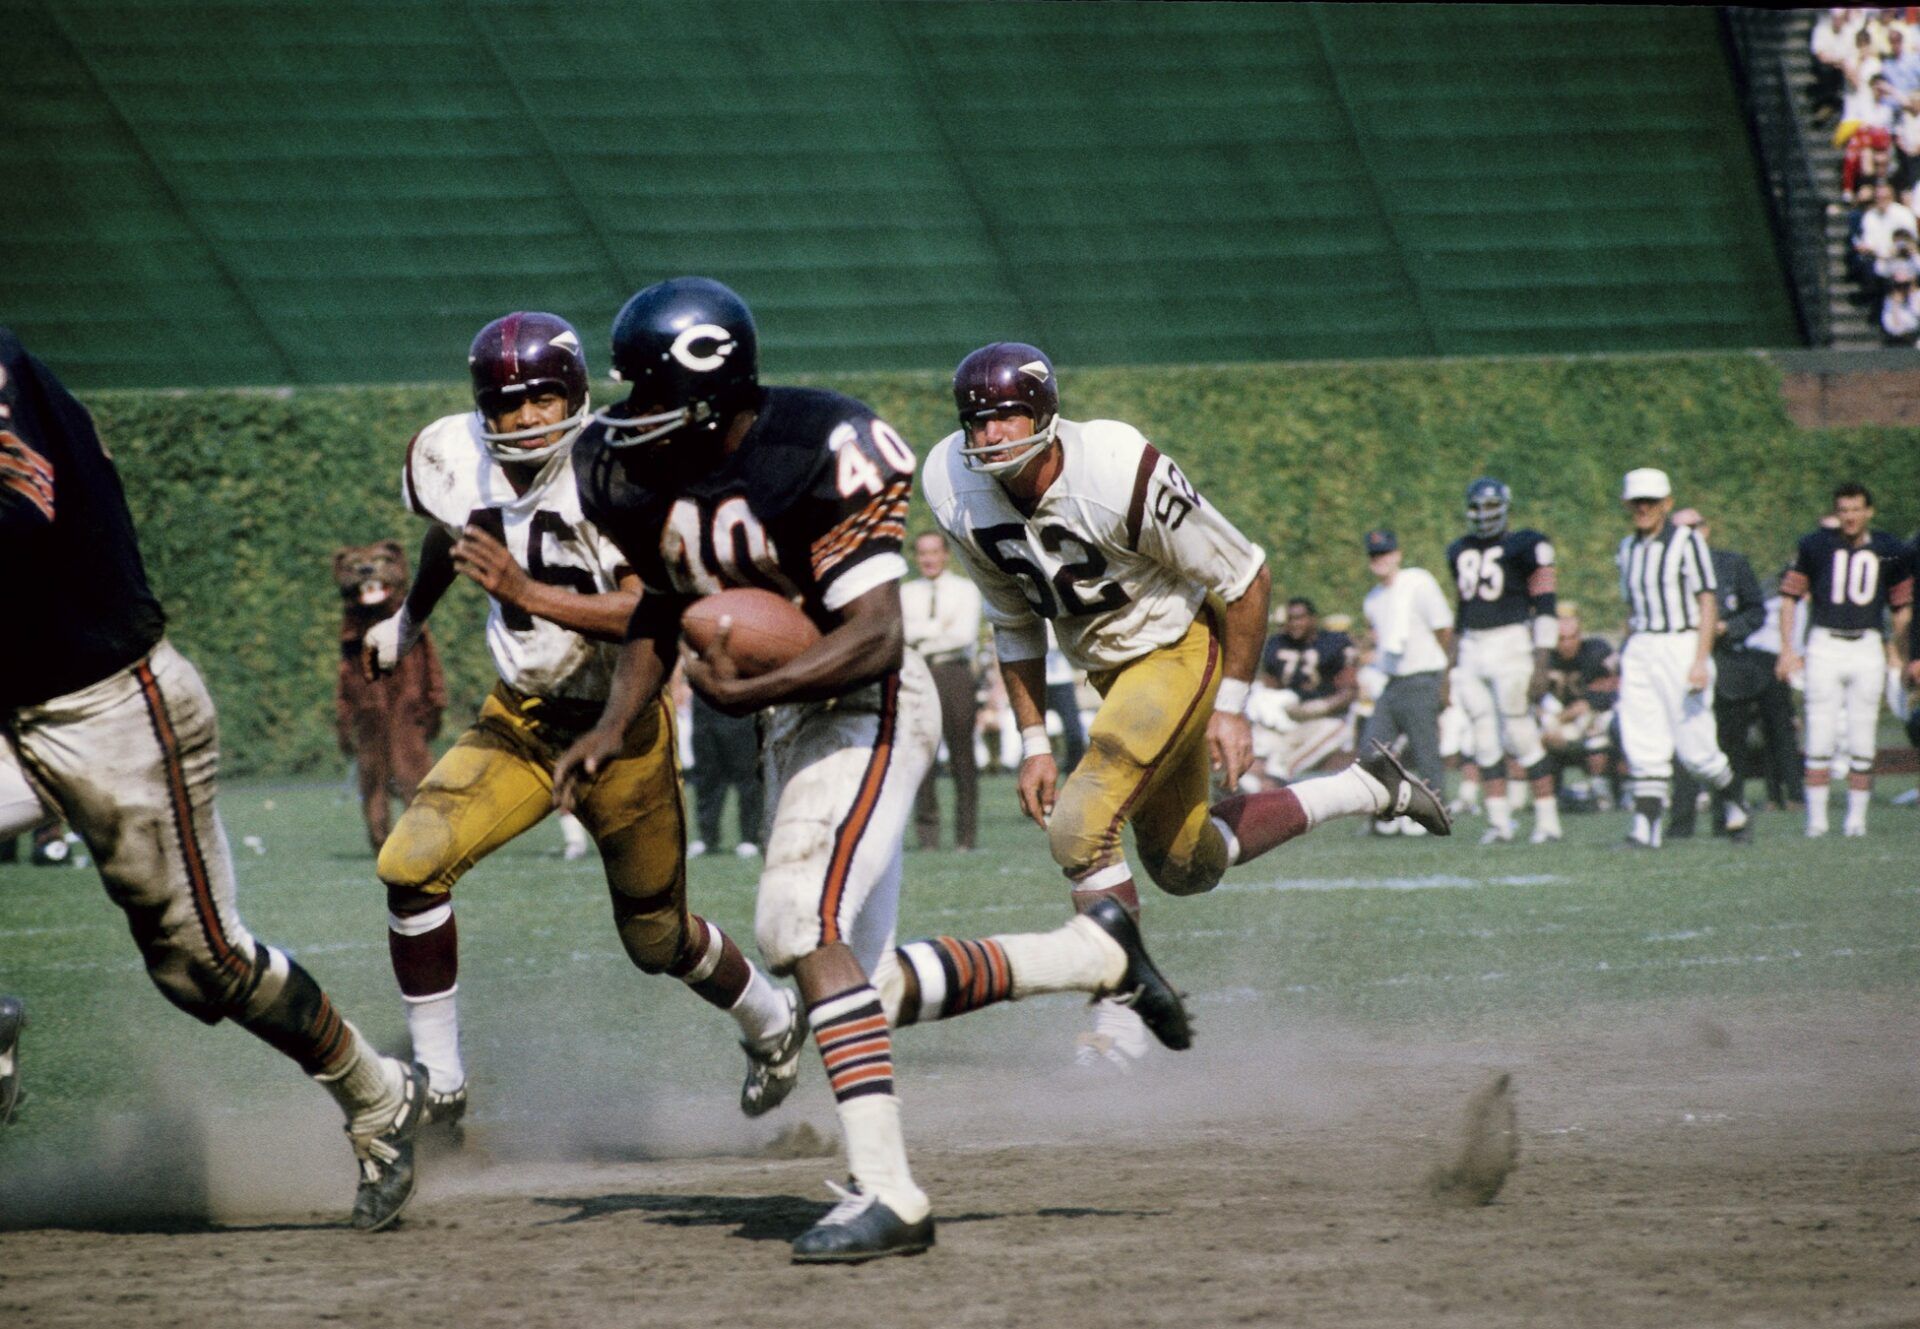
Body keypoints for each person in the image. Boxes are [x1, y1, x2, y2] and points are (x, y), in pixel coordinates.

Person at [556, 282, 1195, 1264]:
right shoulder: (629, 471)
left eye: (647, 389)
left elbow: (877, 636)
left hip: (871, 704)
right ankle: (1095, 957)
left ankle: (892, 1195)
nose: (627, 413)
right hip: (794, 723)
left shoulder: (820, 448)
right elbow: (662, 609)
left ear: (710, 390)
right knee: (858, 983)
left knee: (792, 925)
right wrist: (614, 721)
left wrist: (747, 694)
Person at [0, 327, 427, 1229]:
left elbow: (20, 514)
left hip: (108, 702)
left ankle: (378, 1090)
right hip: (15, 709)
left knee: (204, 966)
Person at [924, 341, 1448, 1055]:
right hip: (1109, 671)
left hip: (1176, 648)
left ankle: (1117, 1021)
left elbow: (1246, 575)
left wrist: (1232, 704)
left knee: (1078, 827)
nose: (986, 437)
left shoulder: (1112, 467)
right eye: (974, 421)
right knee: (1184, 865)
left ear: (1043, 413)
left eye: (1004, 418)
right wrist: (1033, 741)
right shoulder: (951, 483)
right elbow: (1014, 617)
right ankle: (1364, 786)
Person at [364, 311, 804, 1134]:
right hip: (520, 720)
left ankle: (771, 1019)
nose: (525, 418)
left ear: (577, 393)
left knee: (658, 941)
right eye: (506, 403)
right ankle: (442, 1079)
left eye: (543, 398)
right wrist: (409, 618)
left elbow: (655, 614)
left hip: (622, 727)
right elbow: (450, 536)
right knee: (411, 863)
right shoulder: (451, 458)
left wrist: (530, 597)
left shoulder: (631, 467)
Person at [1613, 468, 1753, 848]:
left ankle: (1735, 802)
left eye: (1651, 501)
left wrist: (1699, 658)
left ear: (1666, 504)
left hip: (1680, 644)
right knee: (1642, 737)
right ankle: (1646, 826)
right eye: (1637, 501)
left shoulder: (1687, 542)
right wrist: (1624, 653)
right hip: (1643, 645)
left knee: (1696, 750)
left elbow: (1707, 601)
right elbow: (1632, 608)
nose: (1643, 508)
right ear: (1628, 504)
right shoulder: (1627, 549)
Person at [1776, 483, 1914, 837]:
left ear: (1869, 511)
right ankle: (1817, 820)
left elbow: (1901, 609)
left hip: (1867, 643)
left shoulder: (1889, 548)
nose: (1850, 517)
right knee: (1819, 730)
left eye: (1856, 509)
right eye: (1843, 510)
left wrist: (1902, 656)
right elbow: (1789, 596)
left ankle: (1856, 819)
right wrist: (1788, 649)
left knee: (1863, 732)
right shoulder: (1815, 545)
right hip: (1825, 642)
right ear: (1836, 513)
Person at [1444, 478, 1563, 845]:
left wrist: (1542, 660)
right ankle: (1499, 823)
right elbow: (1462, 611)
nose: (1484, 516)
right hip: (1472, 650)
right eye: (1478, 508)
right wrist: (1449, 667)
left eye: (1491, 507)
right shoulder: (1458, 549)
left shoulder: (1527, 544)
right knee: (1483, 740)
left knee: (1520, 733)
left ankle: (1548, 821)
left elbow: (1545, 605)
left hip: (1511, 642)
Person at [1663, 510, 1768, 839]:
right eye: (1679, 528)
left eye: (1693, 528)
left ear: (1706, 530)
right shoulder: (1664, 566)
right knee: (1685, 744)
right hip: (1683, 662)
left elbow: (1755, 611)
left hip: (1725, 664)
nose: (1688, 534)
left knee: (1729, 745)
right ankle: (1681, 822)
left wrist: (1728, 627)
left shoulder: (1731, 563)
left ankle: (1731, 818)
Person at [1360, 528, 1455, 834]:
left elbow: (1443, 628)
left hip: (1422, 677)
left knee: (1426, 752)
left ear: (1397, 554)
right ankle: (1388, 812)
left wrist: (1442, 676)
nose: (1381, 561)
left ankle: (1435, 816)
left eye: (1386, 553)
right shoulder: (1372, 599)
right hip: (1393, 682)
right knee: (1371, 748)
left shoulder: (1418, 582)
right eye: (1375, 556)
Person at [901, 530, 982, 851]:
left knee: (962, 755)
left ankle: (966, 837)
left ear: (945, 554)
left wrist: (920, 634)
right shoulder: (906, 592)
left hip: (954, 674)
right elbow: (901, 633)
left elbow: (962, 636)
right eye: (923, 553)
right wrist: (936, 628)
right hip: (918, 675)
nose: (929, 559)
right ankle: (928, 837)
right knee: (921, 755)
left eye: (934, 552)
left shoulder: (966, 590)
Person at [1252, 597, 1358, 783]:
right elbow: (1270, 686)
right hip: (1287, 719)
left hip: (1325, 719)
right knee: (1254, 752)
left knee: (1282, 766)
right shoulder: (1277, 643)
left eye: (1300, 618)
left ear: (1313, 619)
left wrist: (1320, 706)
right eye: (1290, 619)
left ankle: (1278, 787)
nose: (1294, 624)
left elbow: (1349, 691)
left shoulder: (1334, 643)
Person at [1537, 603, 1620, 810]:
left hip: (1590, 720)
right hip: (1554, 722)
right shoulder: (1542, 659)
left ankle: (1604, 793)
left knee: (1601, 730)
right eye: (1561, 639)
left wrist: (1590, 703)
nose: (1567, 644)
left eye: (1572, 637)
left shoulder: (1597, 651)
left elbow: (1623, 686)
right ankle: (1538, 798)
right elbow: (1527, 698)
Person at [687, 690, 762, 858]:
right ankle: (707, 838)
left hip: (737, 708)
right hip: (703, 710)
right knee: (706, 777)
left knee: (746, 777)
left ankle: (749, 838)